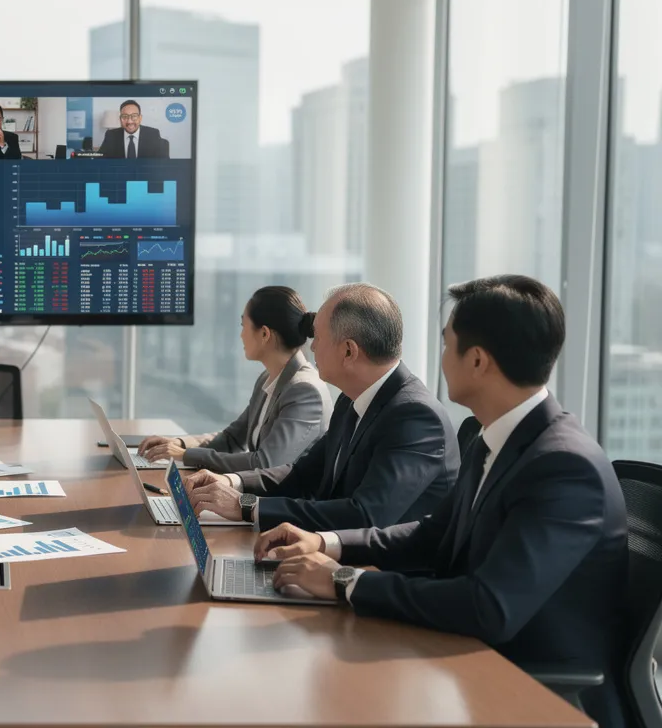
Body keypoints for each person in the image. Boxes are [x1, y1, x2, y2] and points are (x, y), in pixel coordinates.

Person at [256, 275, 627, 728]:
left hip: (527, 692)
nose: (440, 358)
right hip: (469, 658)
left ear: (477, 361)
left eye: (448, 344)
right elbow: (433, 533)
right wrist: (326, 544)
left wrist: (343, 581)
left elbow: (488, 607)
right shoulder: (498, 439)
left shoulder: (565, 468)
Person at [183, 283, 459, 531]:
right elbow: (301, 474)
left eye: (318, 338)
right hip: (326, 554)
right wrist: (231, 483)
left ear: (349, 351)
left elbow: (364, 516)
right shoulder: (352, 399)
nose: (311, 348)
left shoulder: (415, 417)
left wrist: (245, 505)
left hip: (378, 574)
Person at [138, 286, 332, 473]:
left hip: (281, 502)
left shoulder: (305, 390)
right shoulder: (268, 378)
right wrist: (178, 444)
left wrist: (185, 455)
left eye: (243, 326)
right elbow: (232, 439)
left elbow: (266, 462)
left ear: (264, 334)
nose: (241, 335)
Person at [97, 100, 170, 159]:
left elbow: (164, 165)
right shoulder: (111, 135)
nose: (129, 121)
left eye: (134, 116)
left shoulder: (153, 134)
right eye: (125, 116)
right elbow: (99, 160)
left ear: (140, 118)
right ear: (120, 119)